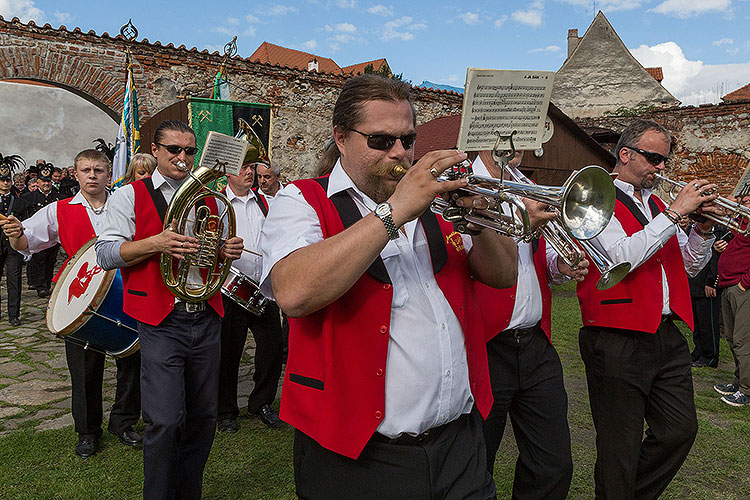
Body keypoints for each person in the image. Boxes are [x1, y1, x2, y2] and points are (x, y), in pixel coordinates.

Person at [260, 74, 519, 499]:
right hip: (359, 454)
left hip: (460, 441)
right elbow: (294, 292)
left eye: (407, 139)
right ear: (341, 138)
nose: (400, 153)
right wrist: (395, 210)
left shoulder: (436, 202)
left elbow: (503, 275)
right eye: (381, 141)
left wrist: (481, 224)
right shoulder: (303, 199)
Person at [95, 119, 243, 500]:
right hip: (162, 321)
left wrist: (223, 252)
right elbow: (106, 253)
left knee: (203, 417)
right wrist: (156, 243)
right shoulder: (129, 195)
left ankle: (188, 491)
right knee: (163, 419)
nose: (183, 157)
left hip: (206, 315)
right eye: (174, 150)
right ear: (155, 151)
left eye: (189, 151)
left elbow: (211, 256)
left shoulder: (209, 198)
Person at [576, 119, 719, 499]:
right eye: (653, 158)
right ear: (625, 154)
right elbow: (621, 256)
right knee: (619, 446)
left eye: (663, 160)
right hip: (616, 334)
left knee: (679, 429)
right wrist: (673, 215)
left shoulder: (655, 204)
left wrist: (701, 232)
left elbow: (684, 264)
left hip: (665, 334)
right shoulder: (595, 196)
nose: (659, 167)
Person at [0, 149, 142, 458]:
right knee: (83, 369)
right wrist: (14, 234)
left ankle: (123, 422)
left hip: (126, 289)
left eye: (99, 169)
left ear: (108, 173)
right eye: (86, 170)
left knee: (132, 361)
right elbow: (27, 242)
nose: (92, 175)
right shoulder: (58, 209)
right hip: (78, 298)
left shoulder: (126, 202)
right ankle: (88, 431)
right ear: (75, 175)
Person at [472, 149, 582, 500]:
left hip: (535, 343)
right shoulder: (459, 184)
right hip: (483, 343)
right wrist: (522, 226)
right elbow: (459, 255)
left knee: (553, 463)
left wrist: (558, 267)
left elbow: (533, 263)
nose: (521, 145)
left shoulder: (527, 188)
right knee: (476, 462)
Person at [216, 161, 284, 433]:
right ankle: (225, 411)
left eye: (251, 168)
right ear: (228, 172)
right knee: (229, 353)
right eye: (243, 167)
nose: (249, 173)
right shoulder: (219, 203)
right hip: (231, 289)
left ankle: (262, 402)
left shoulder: (267, 202)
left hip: (264, 287)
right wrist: (222, 249)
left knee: (272, 348)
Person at [714, 193, 750, 406]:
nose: (744, 199)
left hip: (741, 289)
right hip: (729, 286)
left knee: (742, 340)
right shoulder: (743, 220)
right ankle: (739, 382)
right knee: (731, 338)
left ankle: (747, 390)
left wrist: (744, 283)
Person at [689, 224, 729, 368]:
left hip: (707, 283)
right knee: (698, 324)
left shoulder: (720, 230)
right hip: (695, 282)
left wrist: (712, 281)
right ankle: (698, 351)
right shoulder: (692, 228)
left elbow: (717, 258)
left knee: (709, 324)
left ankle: (710, 356)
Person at [22, 163, 60, 297]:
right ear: (37, 182)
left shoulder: (58, 197)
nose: (46, 184)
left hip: (53, 235)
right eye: (43, 181)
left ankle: (47, 283)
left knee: (50, 260)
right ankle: (40, 286)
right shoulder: (29, 198)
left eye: (48, 181)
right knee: (38, 260)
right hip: (37, 235)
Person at [0, 153, 30, 327]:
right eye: (2, 180)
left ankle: (14, 315)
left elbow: (26, 224)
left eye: (7, 180)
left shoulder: (20, 203)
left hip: (13, 247)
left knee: (14, 280)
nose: (5, 183)